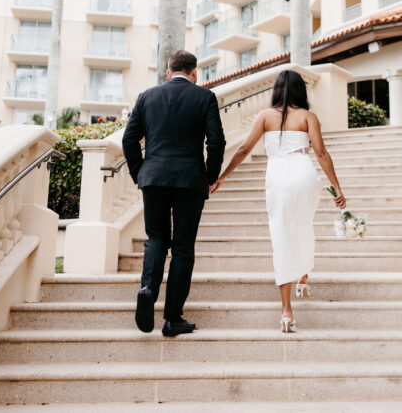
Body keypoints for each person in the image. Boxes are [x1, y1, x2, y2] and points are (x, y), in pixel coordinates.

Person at [213, 69, 346, 332]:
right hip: (304, 172)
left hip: (278, 177)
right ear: (300, 91)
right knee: (303, 224)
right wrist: (337, 188)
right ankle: (303, 276)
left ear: (276, 90)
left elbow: (243, 149)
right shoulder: (309, 116)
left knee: (281, 234)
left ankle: (286, 311)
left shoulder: (264, 116)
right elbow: (320, 153)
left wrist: (222, 177)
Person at [122, 50, 225, 337]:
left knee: (156, 238)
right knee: (182, 248)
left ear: (168, 72)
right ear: (195, 73)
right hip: (189, 181)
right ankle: (172, 318)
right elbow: (216, 142)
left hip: (153, 179)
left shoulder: (146, 97)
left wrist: (140, 173)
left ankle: (148, 288)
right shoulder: (205, 97)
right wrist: (210, 177)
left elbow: (129, 139)